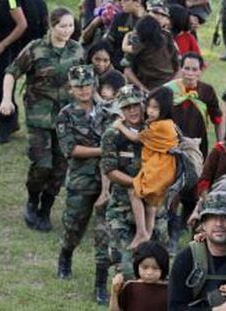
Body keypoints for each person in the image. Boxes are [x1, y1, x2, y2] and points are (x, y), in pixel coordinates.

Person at [0, 7, 84, 232]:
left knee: (59, 168)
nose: (67, 31)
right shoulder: (36, 49)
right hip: (39, 116)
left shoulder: (77, 50)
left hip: (67, 119)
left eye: (70, 26)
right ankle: (32, 201)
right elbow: (11, 72)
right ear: (52, 26)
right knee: (42, 164)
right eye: (62, 26)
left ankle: (45, 210)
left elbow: (86, 81)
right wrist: (7, 100)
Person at [55, 65, 115, 305]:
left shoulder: (107, 111)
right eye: (78, 86)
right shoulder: (66, 115)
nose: (83, 90)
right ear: (71, 89)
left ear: (94, 86)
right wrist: (102, 150)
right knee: (73, 226)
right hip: (81, 180)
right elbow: (70, 149)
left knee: (104, 235)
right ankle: (65, 256)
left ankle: (100, 284)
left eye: (87, 85)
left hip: (108, 181)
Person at [100, 84, 169, 278]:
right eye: (126, 107)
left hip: (154, 207)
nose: (132, 110)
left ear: (144, 105)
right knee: (126, 268)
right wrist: (137, 185)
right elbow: (110, 170)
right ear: (120, 110)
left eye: (136, 105)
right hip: (122, 208)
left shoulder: (156, 128)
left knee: (158, 268)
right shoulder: (112, 134)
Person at [164, 52, 222, 239]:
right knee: (173, 190)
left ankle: (187, 226)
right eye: (186, 68)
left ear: (200, 71)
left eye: (194, 69)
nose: (190, 73)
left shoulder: (207, 92)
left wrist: (221, 143)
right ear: (180, 69)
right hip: (173, 148)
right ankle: (171, 230)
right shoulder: (168, 91)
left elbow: (217, 118)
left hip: (198, 149)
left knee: (193, 189)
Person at [168, 191, 226, 310]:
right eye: (212, 217)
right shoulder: (187, 258)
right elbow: (175, 308)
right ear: (203, 224)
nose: (219, 224)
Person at [113, 86, 178, 249]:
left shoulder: (158, 126)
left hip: (159, 170)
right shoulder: (167, 124)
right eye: (149, 106)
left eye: (155, 108)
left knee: (134, 191)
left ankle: (142, 231)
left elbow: (136, 138)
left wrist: (120, 126)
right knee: (150, 203)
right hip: (164, 170)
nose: (150, 111)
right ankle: (147, 234)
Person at [0, 0, 48, 144]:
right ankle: (17, 124)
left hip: (12, 46)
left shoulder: (12, 1)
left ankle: (5, 126)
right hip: (35, 46)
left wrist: (2, 45)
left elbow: (22, 24)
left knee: (3, 85)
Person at [122, 15, 179, 91]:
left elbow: (180, 68)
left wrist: (170, 86)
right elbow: (127, 70)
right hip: (149, 85)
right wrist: (143, 88)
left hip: (166, 84)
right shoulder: (165, 37)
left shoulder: (166, 39)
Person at [109, 241, 169, 311]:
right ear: (137, 266)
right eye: (145, 267)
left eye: (155, 268)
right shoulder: (130, 287)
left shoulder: (168, 290)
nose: (149, 272)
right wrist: (114, 292)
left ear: (163, 268)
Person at [105, 0, 145, 70]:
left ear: (138, 2)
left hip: (141, 67)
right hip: (117, 64)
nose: (121, 2)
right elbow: (109, 43)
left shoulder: (149, 21)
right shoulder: (120, 18)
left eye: (125, 0)